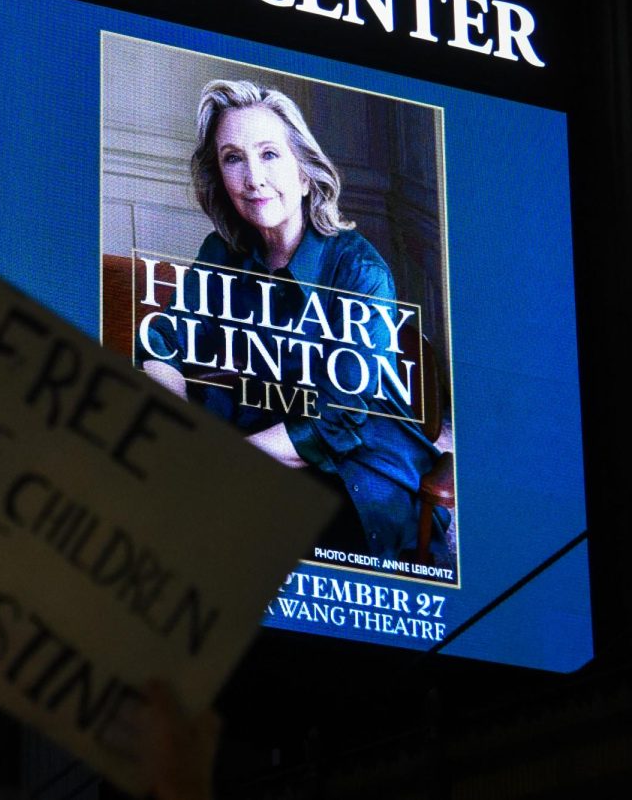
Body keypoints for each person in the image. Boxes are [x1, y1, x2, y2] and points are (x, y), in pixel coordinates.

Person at [137, 80, 448, 561]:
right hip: (258, 438)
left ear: (305, 174)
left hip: (353, 464)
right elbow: (163, 342)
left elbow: (336, 420)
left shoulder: (360, 270)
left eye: (269, 155)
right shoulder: (222, 253)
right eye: (233, 158)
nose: (253, 179)